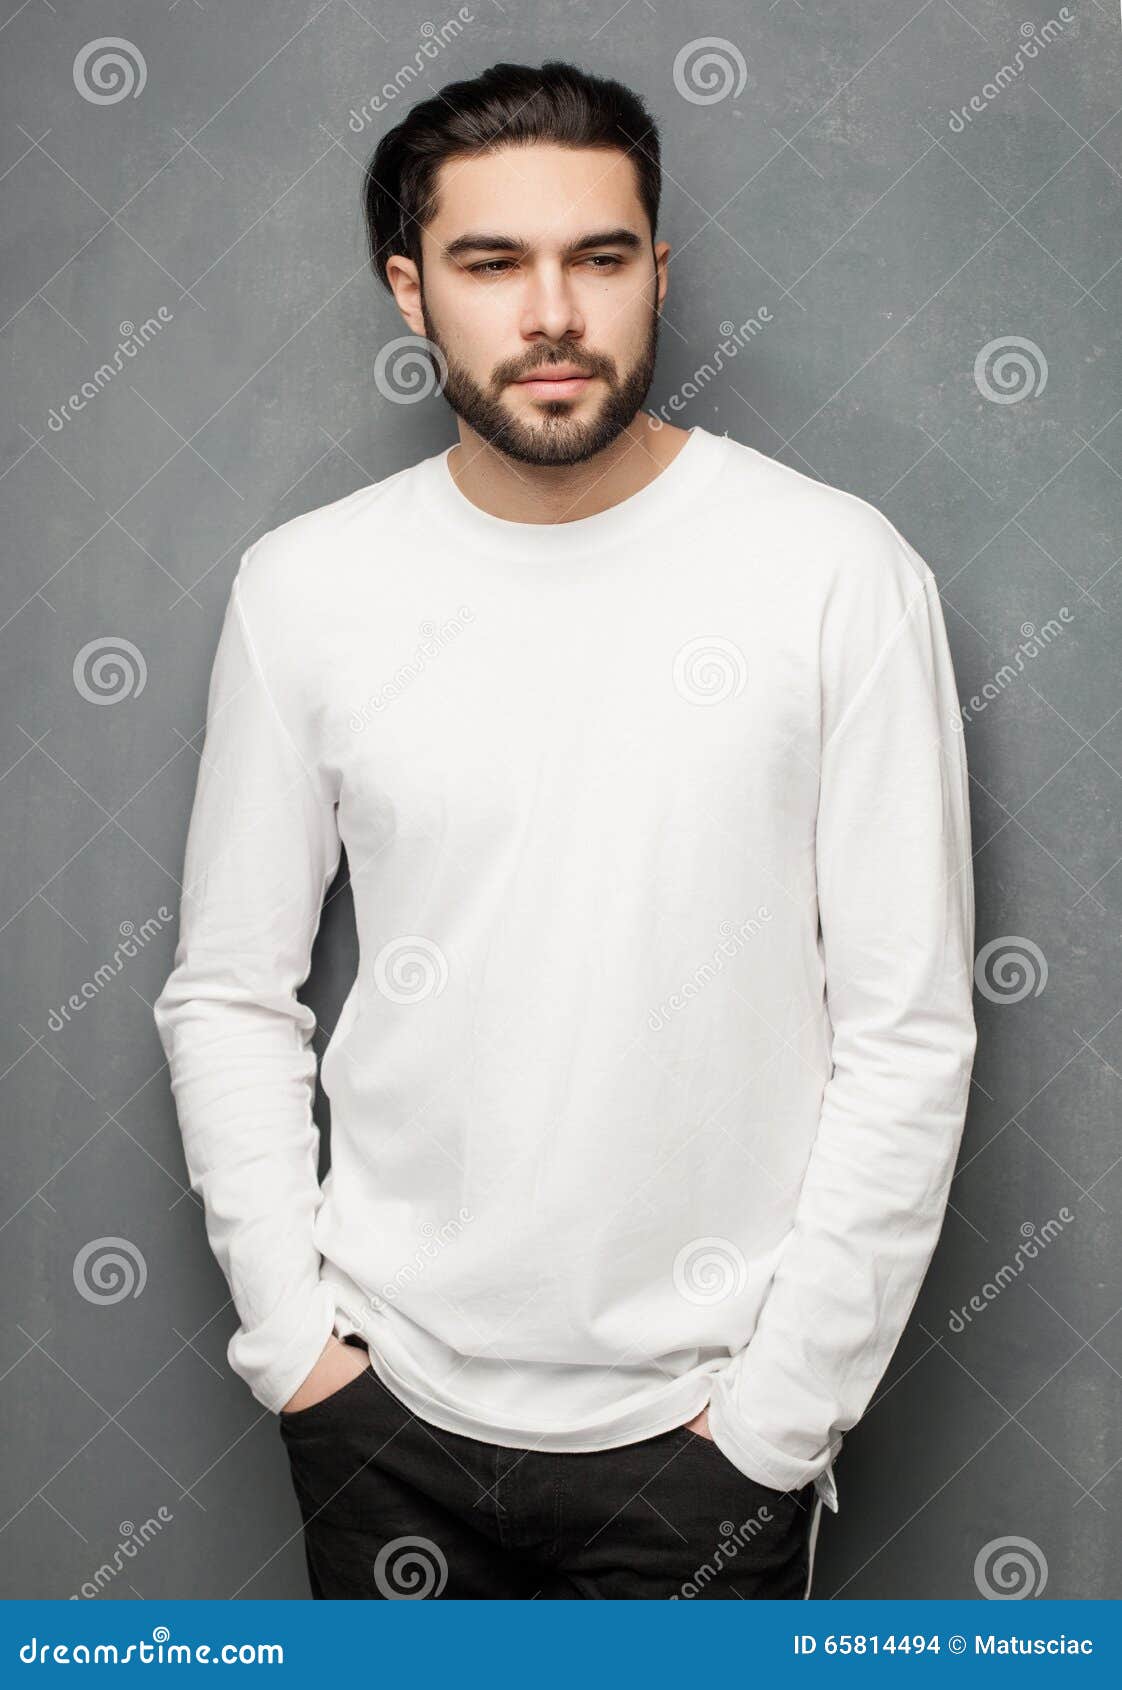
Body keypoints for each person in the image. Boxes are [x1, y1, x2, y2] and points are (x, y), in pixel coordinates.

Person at [153, 59, 977, 1601]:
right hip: (383, 1410)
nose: (551, 313)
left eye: (598, 258)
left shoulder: (831, 572)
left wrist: (775, 1416)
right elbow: (227, 987)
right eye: (489, 263)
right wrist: (296, 1348)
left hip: (708, 1429)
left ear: (655, 272)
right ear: (410, 291)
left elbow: (909, 1029)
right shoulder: (308, 587)